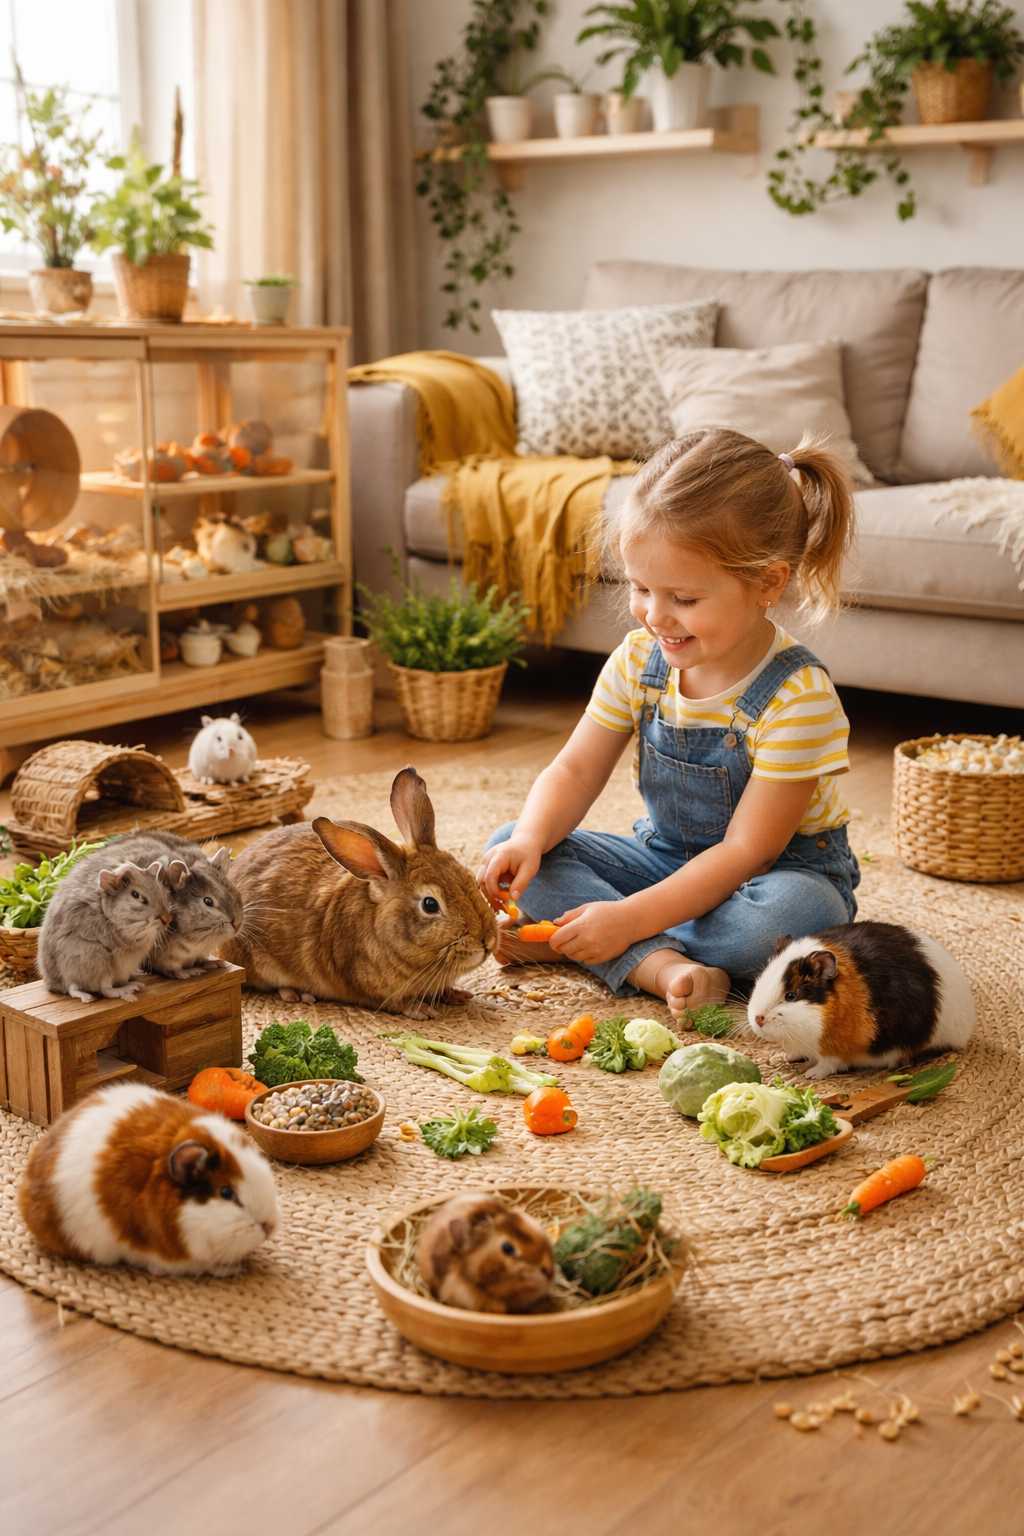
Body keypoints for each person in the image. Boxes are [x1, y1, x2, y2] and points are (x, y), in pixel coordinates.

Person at [477, 428, 861, 1018]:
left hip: (775, 874)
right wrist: (530, 838)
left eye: (683, 598)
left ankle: (585, 941)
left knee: (782, 923)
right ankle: (658, 965)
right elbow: (575, 770)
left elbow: (747, 853)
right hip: (664, 861)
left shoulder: (798, 697)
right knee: (512, 845)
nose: (655, 616)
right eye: (641, 588)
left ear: (768, 582)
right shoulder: (638, 660)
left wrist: (629, 916)